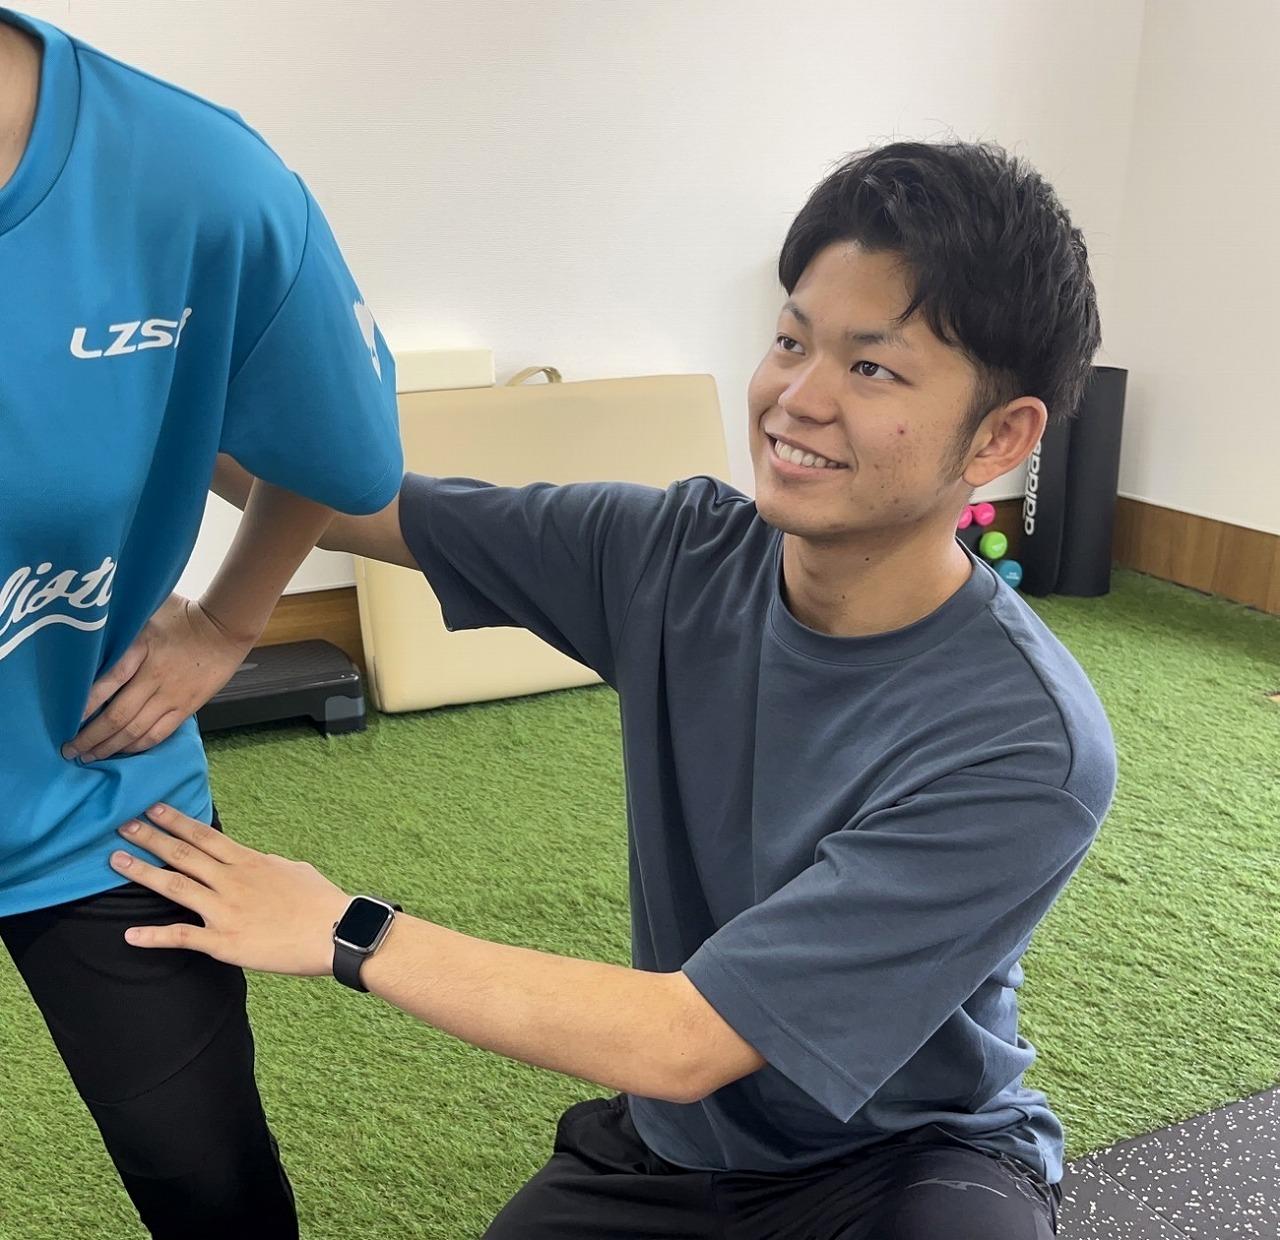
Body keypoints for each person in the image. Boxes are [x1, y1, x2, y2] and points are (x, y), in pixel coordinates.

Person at [111, 139, 1115, 1239]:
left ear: (1000, 435)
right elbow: (363, 502)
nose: (797, 398)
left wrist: (341, 928)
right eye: (790, 341)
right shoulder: (676, 554)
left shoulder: (1025, 741)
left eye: (871, 369)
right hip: (674, 1152)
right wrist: (131, 371)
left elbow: (683, 1040)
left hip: (904, 1164)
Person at [0, 7, 402, 1237]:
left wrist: (230, 619)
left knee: (209, 1185)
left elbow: (337, 448)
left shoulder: (195, 179)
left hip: (92, 794)